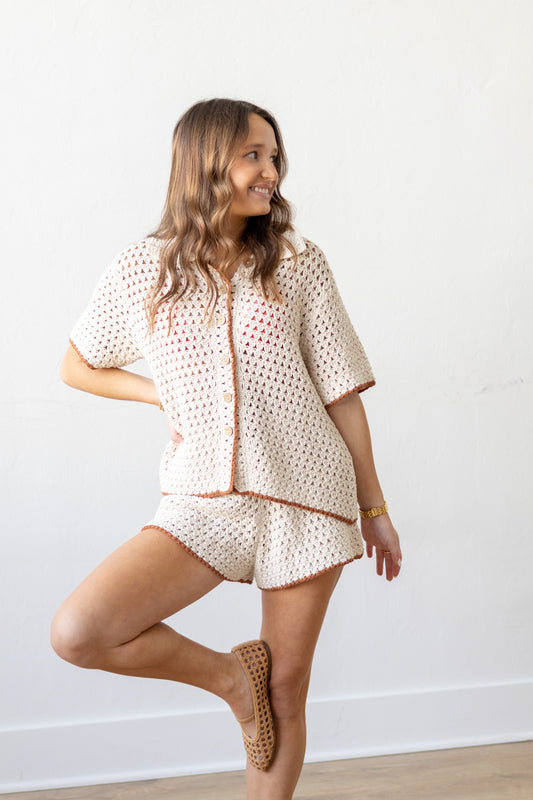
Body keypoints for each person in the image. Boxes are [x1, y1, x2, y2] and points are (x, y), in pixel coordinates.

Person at [51, 98, 402, 800]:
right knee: (81, 630)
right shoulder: (142, 269)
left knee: (287, 687)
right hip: (202, 499)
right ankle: (232, 681)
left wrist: (375, 508)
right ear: (205, 162)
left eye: (274, 156)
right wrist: (158, 394)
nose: (270, 171)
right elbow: (77, 365)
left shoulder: (298, 263)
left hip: (307, 497)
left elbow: (341, 393)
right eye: (252, 155)